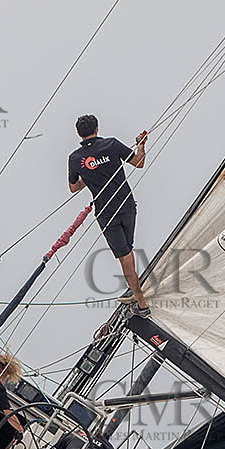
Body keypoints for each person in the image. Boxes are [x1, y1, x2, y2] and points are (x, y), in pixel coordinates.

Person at [68, 114, 149, 312]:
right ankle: (133, 288)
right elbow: (138, 163)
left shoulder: (75, 158)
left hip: (106, 213)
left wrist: (90, 173)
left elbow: (73, 187)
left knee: (125, 254)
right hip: (128, 206)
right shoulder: (111, 144)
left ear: (79, 134)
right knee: (127, 250)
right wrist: (141, 145)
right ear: (96, 129)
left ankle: (141, 303)